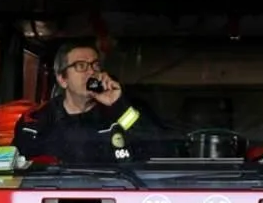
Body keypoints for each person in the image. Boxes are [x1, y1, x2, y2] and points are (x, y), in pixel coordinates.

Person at [12, 40, 163, 164]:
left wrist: (117, 105)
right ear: (62, 79)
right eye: (81, 66)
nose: (91, 72)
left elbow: (159, 151)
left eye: (95, 65)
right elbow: (15, 173)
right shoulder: (34, 123)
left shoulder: (123, 110)